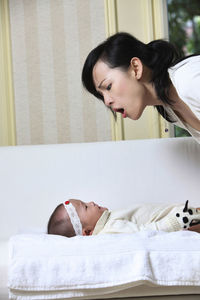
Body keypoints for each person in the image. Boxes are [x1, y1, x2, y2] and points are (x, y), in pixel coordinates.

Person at [81, 32, 200, 143]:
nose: (107, 101)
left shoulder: (189, 81)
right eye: (101, 95)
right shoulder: (169, 111)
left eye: (108, 87)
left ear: (136, 68)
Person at [47, 199, 200, 238]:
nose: (91, 202)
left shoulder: (108, 220)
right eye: (86, 207)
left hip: (179, 214)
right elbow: (142, 233)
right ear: (87, 232)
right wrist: (174, 222)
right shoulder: (110, 230)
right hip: (180, 222)